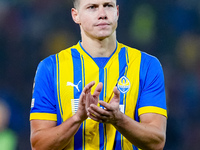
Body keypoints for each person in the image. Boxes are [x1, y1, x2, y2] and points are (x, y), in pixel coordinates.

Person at [30, 0, 167, 149]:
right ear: (76, 16)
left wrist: (119, 119)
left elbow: (157, 142)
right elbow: (38, 145)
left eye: (108, 6)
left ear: (117, 12)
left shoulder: (146, 65)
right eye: (92, 7)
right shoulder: (50, 68)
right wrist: (77, 118)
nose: (102, 14)